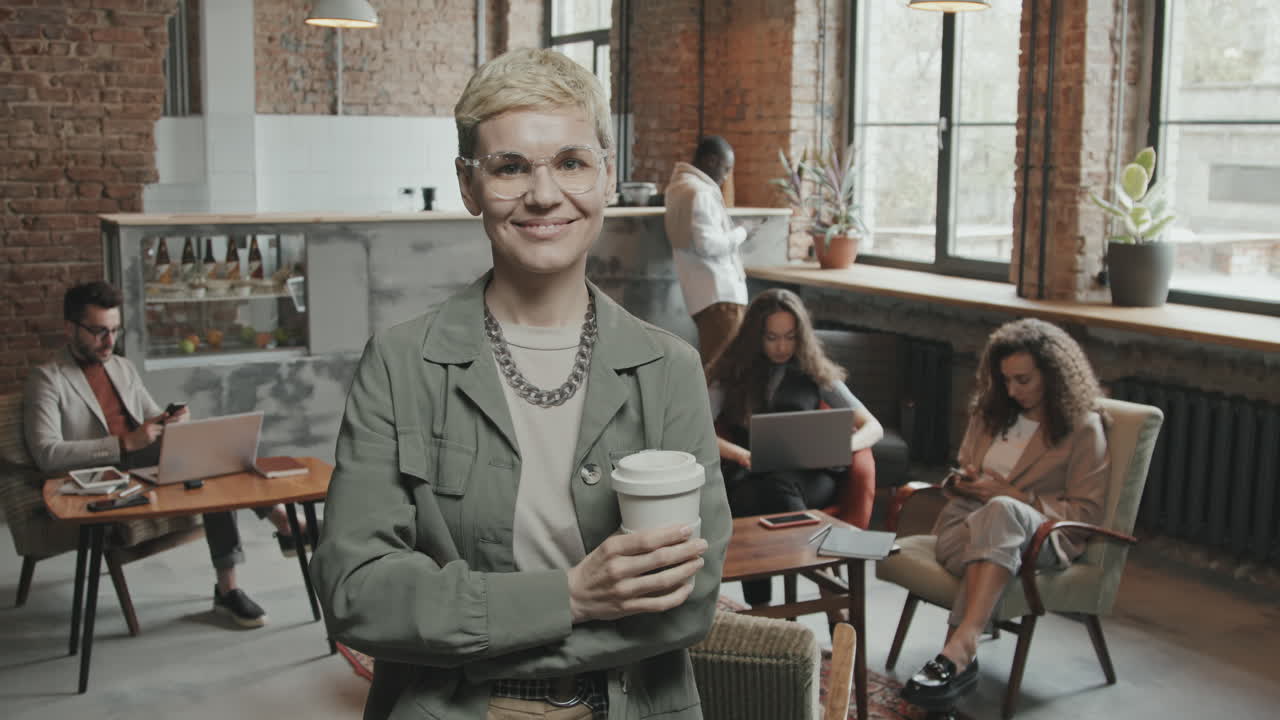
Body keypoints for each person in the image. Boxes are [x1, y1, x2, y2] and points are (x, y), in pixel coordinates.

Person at [310, 48, 730, 720]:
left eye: (571, 162)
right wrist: (569, 598)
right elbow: (356, 592)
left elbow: (690, 599)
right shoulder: (399, 364)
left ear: (607, 175)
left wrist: (472, 636)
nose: (543, 194)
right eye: (510, 167)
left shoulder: (669, 369)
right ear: (468, 184)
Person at [23, 281, 305, 629]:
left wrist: (171, 422)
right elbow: (48, 454)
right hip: (100, 475)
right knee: (206, 458)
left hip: (144, 462)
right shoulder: (47, 380)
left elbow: (151, 417)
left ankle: (232, 584)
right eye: (98, 332)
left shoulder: (121, 367)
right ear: (70, 328)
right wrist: (124, 443)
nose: (110, 341)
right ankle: (284, 527)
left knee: (207, 451)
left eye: (114, 330)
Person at [900, 318, 1110, 710]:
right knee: (996, 516)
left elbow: (1087, 513)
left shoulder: (1084, 429)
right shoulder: (992, 412)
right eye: (1006, 380)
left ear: (1053, 374)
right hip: (962, 529)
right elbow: (959, 471)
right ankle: (960, 652)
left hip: (1041, 540)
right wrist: (965, 482)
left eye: (1024, 380)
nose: (1013, 391)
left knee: (1001, 511)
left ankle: (960, 646)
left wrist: (1011, 496)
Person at [705, 288, 882, 605]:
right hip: (750, 474)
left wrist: (842, 444)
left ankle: (767, 617)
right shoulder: (732, 373)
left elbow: (873, 427)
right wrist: (740, 454)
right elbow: (696, 428)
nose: (782, 347)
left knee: (774, 486)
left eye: (790, 337)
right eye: (772, 337)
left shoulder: (815, 371)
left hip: (811, 478)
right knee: (753, 495)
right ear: (754, 337)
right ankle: (832, 588)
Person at [663, 135, 748, 367]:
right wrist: (741, 232)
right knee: (725, 371)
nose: (726, 176)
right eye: (726, 168)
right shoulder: (700, 192)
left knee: (716, 368)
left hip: (703, 296)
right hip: (721, 295)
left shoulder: (678, 188)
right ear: (711, 161)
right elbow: (708, 245)